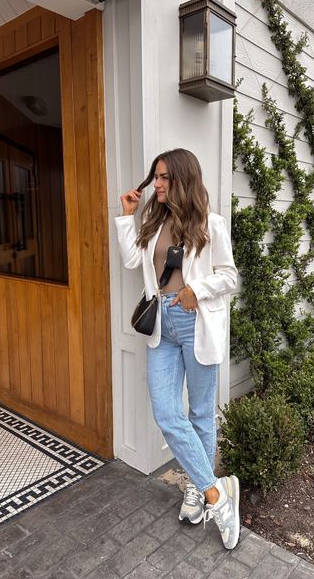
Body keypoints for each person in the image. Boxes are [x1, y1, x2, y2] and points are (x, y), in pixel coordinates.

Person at [115, 148, 240, 549]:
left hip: (195, 321)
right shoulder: (153, 222)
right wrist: (126, 214)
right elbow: (133, 259)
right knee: (168, 414)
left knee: (200, 413)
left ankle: (195, 486)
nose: (158, 183)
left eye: (165, 176)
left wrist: (195, 289)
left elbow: (229, 276)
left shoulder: (210, 224)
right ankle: (217, 494)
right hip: (161, 327)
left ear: (184, 178)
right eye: (156, 176)